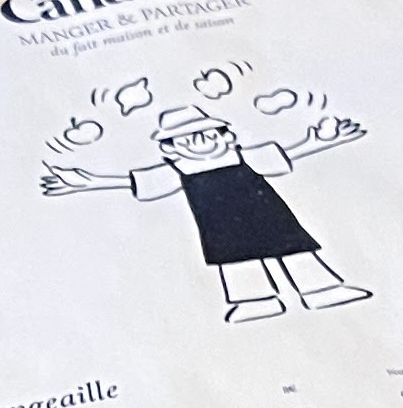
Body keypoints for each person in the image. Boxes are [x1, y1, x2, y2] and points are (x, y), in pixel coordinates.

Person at [43, 102, 370, 320]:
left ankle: (322, 290)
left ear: (226, 136)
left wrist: (322, 140)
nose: (200, 142)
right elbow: (136, 182)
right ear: (170, 148)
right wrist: (87, 182)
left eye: (207, 134)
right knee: (236, 260)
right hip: (221, 225)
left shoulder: (243, 156)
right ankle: (255, 301)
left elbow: (287, 154)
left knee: (295, 248)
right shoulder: (178, 169)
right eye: (187, 139)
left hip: (268, 213)